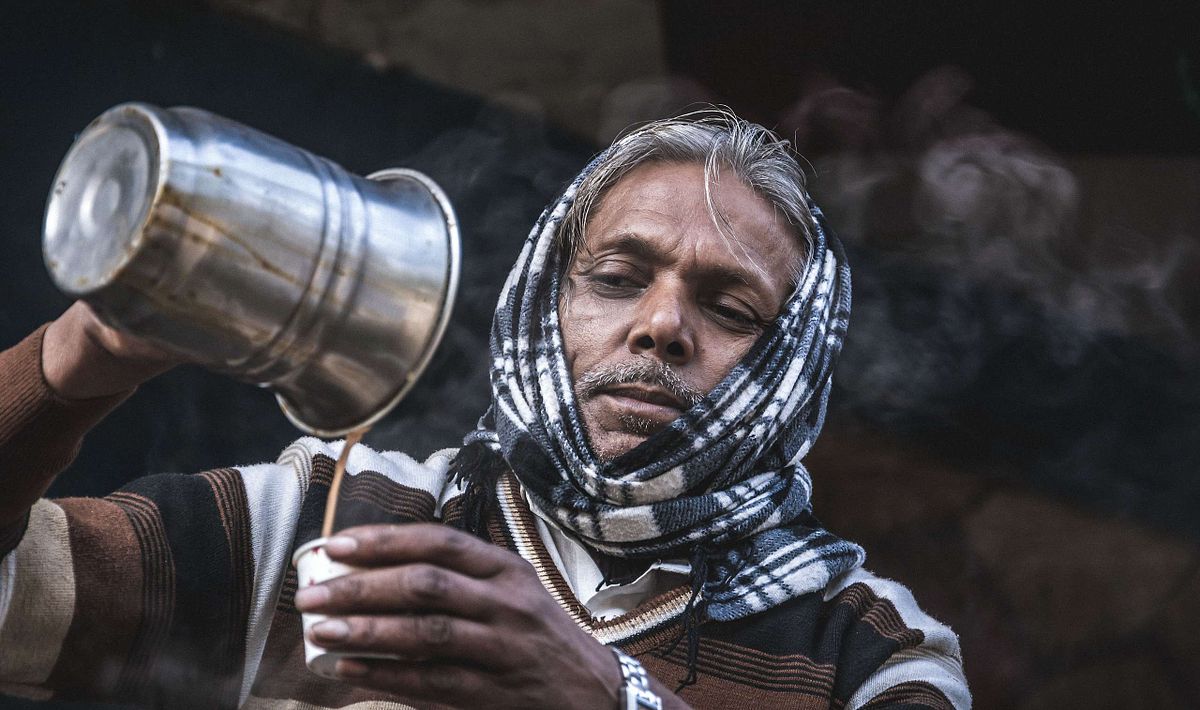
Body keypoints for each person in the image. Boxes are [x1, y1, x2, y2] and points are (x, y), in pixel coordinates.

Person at [0, 110, 970, 709]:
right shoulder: (336, 519)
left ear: (795, 361)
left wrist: (611, 699)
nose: (661, 324)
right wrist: (69, 364)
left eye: (729, 307)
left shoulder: (868, 646)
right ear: (551, 300)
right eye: (618, 276)